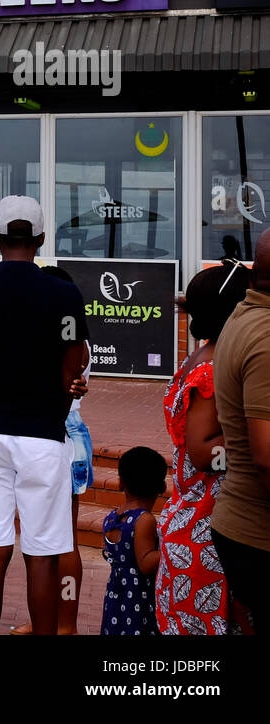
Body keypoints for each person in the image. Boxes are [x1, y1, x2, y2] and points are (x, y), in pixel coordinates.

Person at [0, 195, 89, 635]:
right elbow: (74, 361)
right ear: (42, 239)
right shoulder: (65, 293)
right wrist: (62, 398)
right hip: (42, 434)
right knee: (42, 554)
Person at [156, 260, 253, 635]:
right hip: (204, 528)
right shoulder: (211, 368)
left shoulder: (204, 358)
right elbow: (202, 452)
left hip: (195, 521)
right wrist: (251, 446)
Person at [12, 265, 92, 635]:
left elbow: (61, 384)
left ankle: (67, 624)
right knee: (45, 538)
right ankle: (46, 619)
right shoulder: (63, 336)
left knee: (62, 541)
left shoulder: (71, 342)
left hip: (60, 434)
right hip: (56, 435)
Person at [212, 228, 270, 629]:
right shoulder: (266, 337)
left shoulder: (243, 312)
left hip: (239, 525)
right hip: (258, 534)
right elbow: (266, 456)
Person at [101, 446, 167, 635]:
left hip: (117, 592)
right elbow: (145, 562)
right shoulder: (144, 520)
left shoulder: (113, 517)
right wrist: (172, 548)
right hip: (138, 596)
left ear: (121, 483)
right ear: (162, 487)